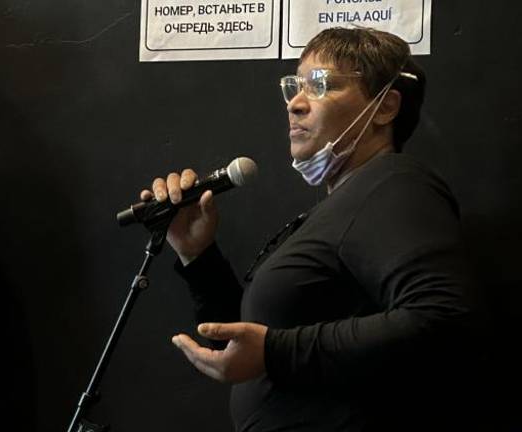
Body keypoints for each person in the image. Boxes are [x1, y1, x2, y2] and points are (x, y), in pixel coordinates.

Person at [141, 28, 478, 431]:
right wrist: (198, 256)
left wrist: (275, 352)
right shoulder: (345, 203)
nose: (295, 104)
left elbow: (444, 318)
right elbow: (249, 340)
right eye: (294, 86)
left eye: (320, 85)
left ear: (385, 107)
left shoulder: (394, 184)